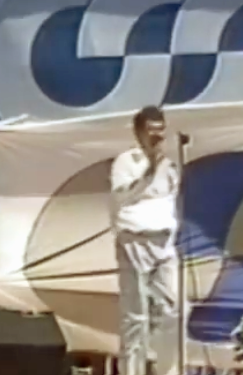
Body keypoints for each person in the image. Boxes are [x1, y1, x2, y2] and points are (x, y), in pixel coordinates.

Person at [110, 105, 180, 375]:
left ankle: (169, 371)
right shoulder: (126, 162)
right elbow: (123, 197)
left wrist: (159, 162)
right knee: (136, 317)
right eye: (151, 131)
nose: (157, 136)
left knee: (172, 310)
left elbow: (169, 200)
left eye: (160, 131)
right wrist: (150, 165)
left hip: (163, 242)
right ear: (139, 132)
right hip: (134, 242)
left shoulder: (171, 164)